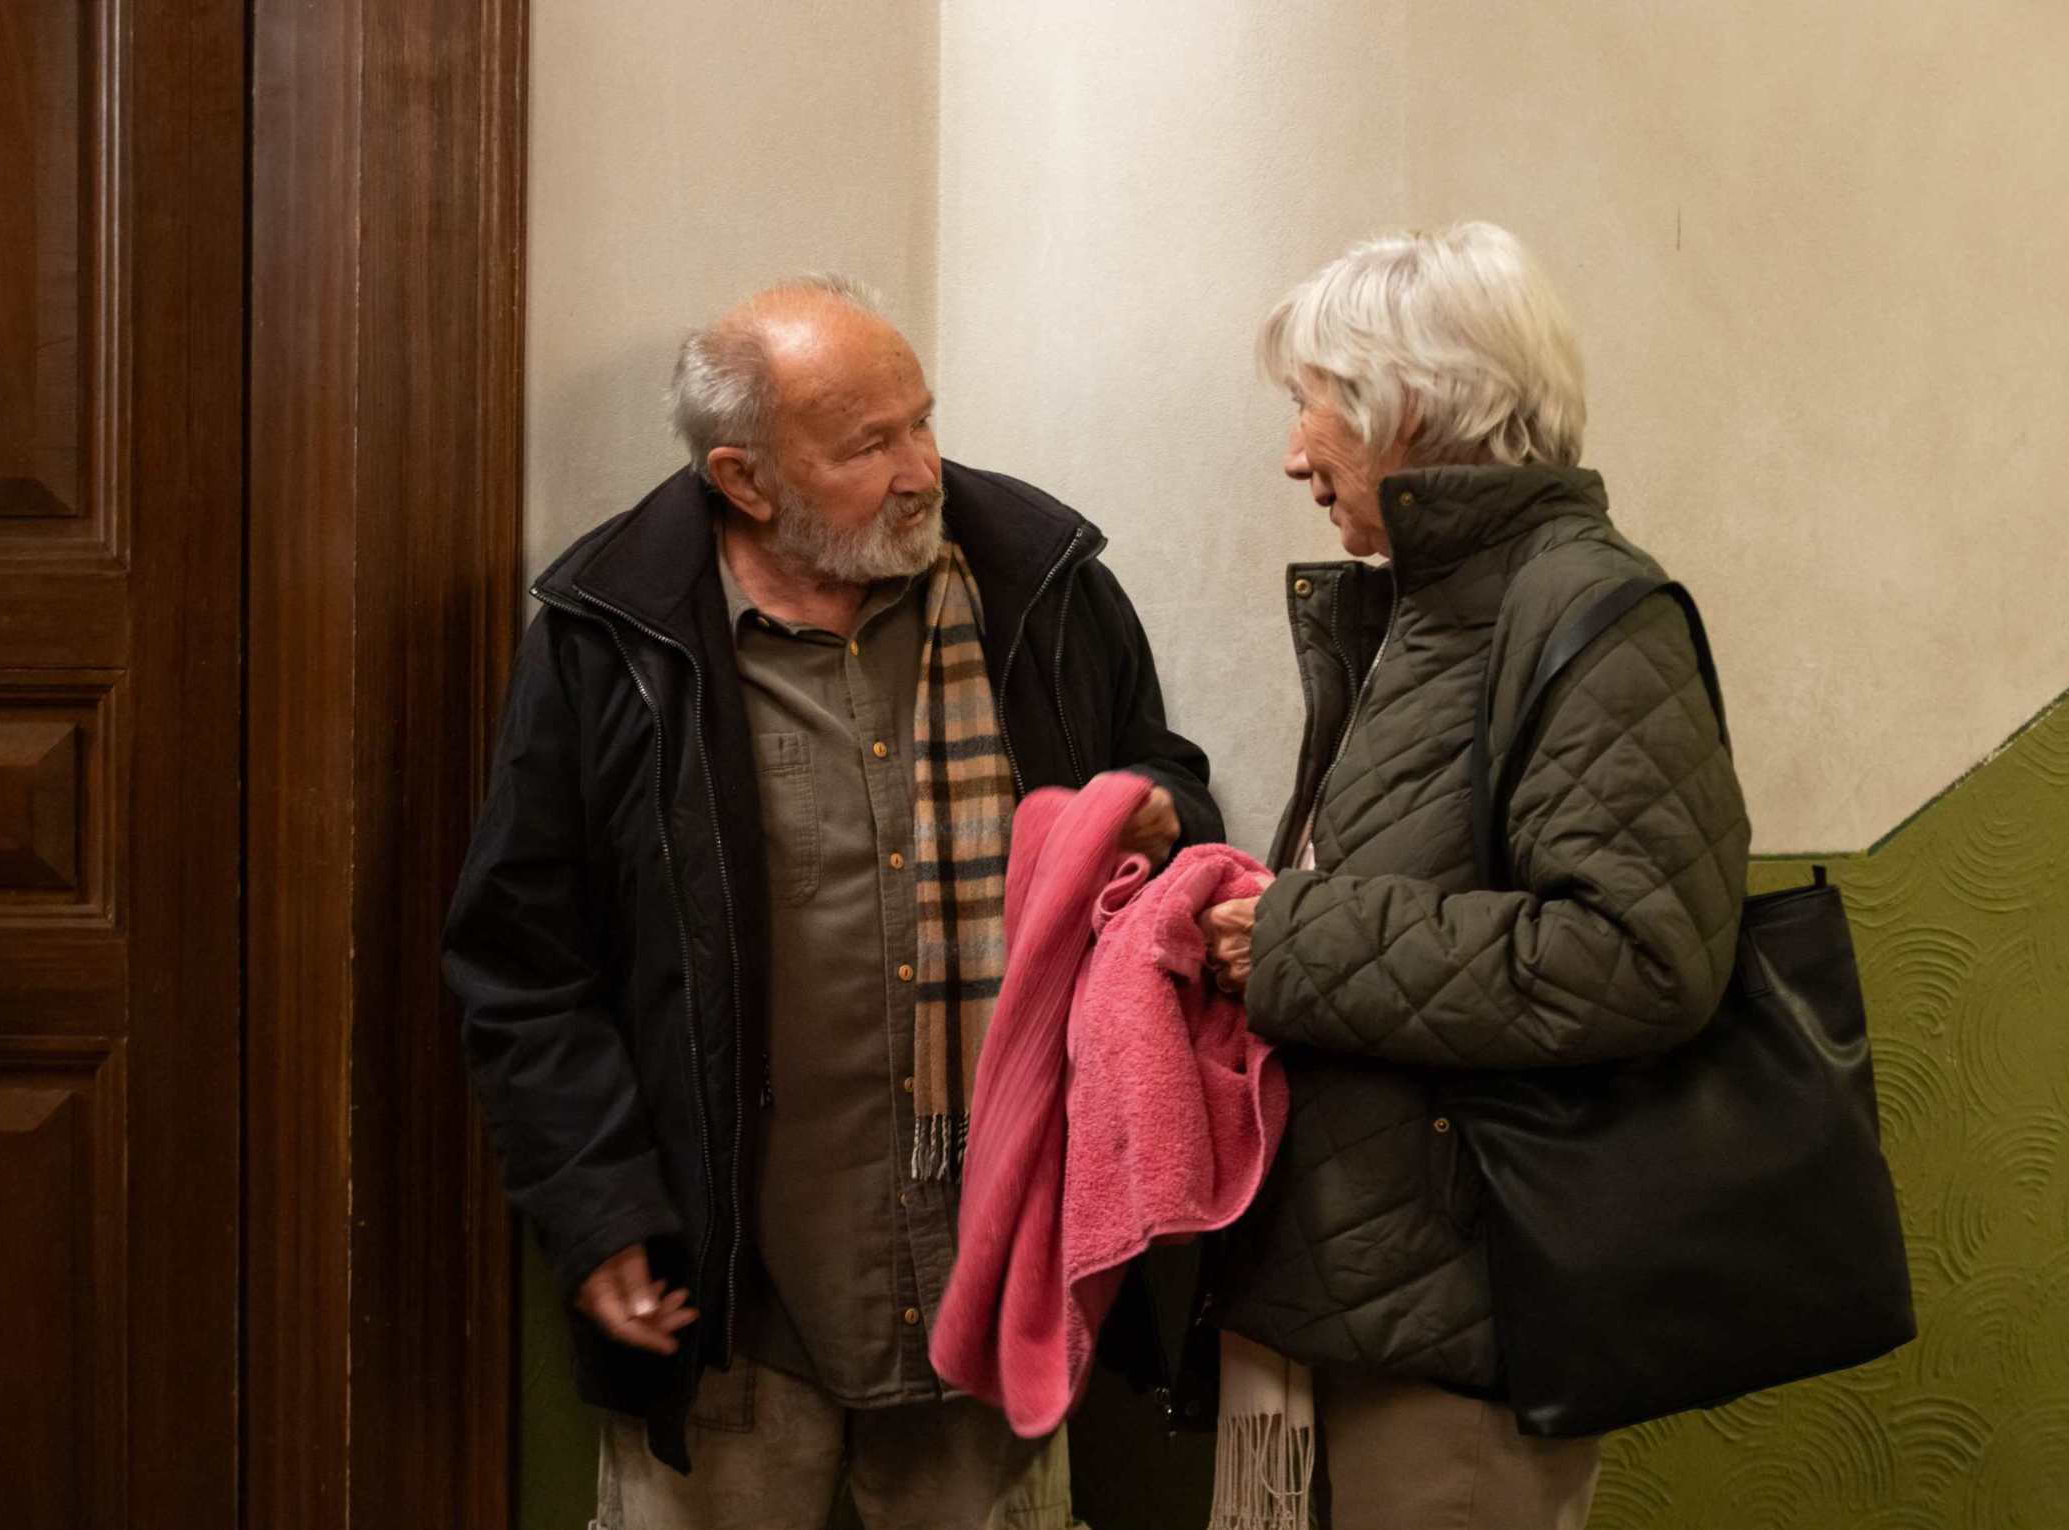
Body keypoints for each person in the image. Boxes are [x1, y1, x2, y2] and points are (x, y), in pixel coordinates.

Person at [445, 274, 1220, 1529]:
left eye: (922, 421)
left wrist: (1152, 810)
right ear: (743, 480)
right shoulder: (612, 638)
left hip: (999, 1279)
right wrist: (596, 1208)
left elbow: (1166, 781)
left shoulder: (1037, 583)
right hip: (731, 1309)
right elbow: (524, 961)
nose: (921, 470)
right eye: (868, 446)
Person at [1198, 223, 1752, 1529]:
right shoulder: (1426, 607)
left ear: (1411, 403)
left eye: (1312, 403)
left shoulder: (1586, 611)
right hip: (1366, 1291)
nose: (1293, 453)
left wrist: (1295, 941)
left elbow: (1639, 958)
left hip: (1463, 1319)